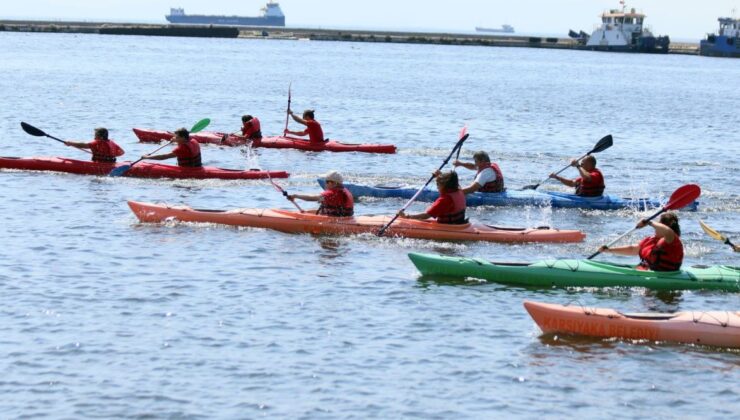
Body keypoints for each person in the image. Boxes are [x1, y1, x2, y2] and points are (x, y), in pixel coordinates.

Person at [598, 212, 684, 271]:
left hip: (664, 275)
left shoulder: (672, 240)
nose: (655, 228)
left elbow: (668, 231)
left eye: (658, 224)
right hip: (644, 270)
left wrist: (649, 222)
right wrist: (608, 250)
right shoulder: (651, 239)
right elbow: (632, 249)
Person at [399, 171, 467, 224]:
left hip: (449, 226)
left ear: (444, 185)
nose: (437, 187)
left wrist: (407, 217)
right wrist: (440, 175)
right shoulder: (459, 190)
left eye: (438, 184)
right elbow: (453, 182)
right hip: (460, 223)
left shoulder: (445, 200)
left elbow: (426, 215)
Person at [288, 170, 353, 216]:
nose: (325, 184)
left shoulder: (332, 192)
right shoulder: (345, 191)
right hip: (346, 218)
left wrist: (296, 196)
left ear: (334, 183)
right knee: (308, 211)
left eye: (327, 182)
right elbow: (327, 208)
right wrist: (307, 212)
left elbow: (314, 198)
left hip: (335, 221)